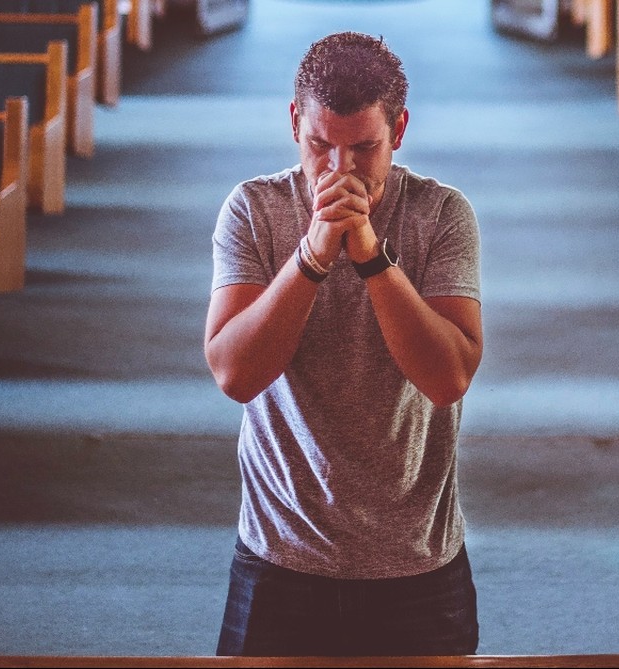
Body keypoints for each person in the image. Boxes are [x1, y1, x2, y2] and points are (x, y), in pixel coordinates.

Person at [203, 31, 484, 657]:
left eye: (364, 149)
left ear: (400, 130)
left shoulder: (441, 214)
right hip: (281, 555)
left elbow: (448, 378)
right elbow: (235, 375)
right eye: (319, 146)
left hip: (417, 561)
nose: (340, 171)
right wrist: (311, 255)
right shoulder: (253, 210)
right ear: (294, 122)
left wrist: (370, 256)